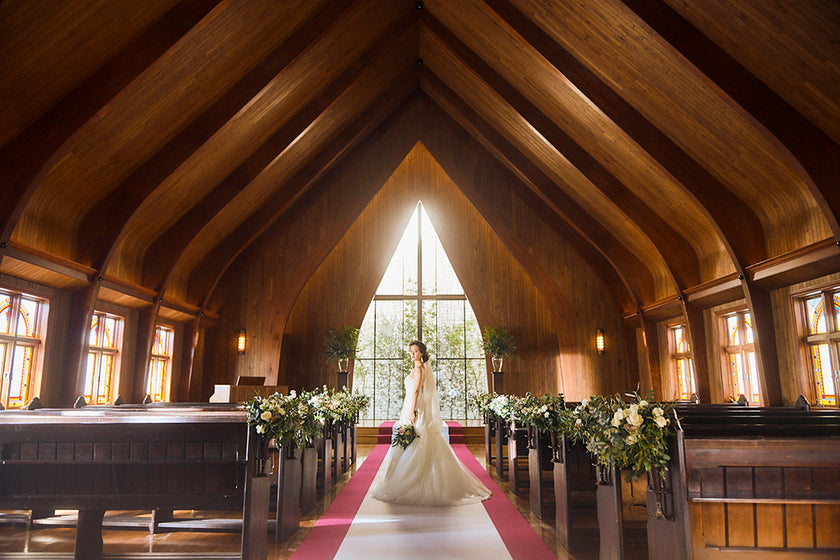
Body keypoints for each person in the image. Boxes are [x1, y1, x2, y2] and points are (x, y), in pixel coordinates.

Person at [371, 340, 491, 506]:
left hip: (416, 407)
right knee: (415, 440)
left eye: (415, 351)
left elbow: (415, 391)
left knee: (417, 439)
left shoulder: (420, 369)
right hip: (412, 406)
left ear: (421, 353)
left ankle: (417, 481)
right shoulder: (418, 368)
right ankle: (416, 478)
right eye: (410, 351)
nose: (412, 354)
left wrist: (412, 411)